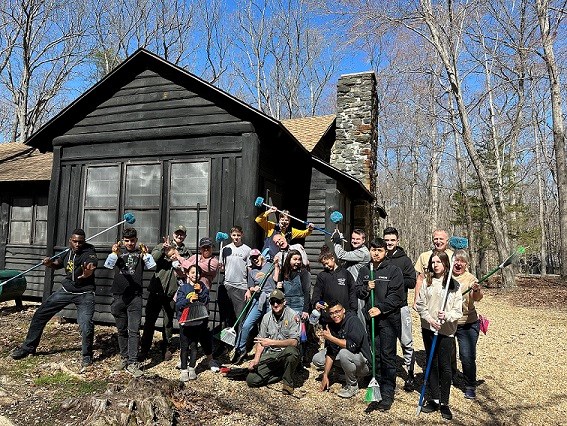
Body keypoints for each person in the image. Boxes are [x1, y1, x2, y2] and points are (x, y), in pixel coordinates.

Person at [11, 229, 98, 368]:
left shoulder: (89, 253)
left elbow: (90, 266)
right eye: (75, 241)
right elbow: (58, 264)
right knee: (40, 314)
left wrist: (87, 273)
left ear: (84, 242)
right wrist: (49, 263)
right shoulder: (67, 252)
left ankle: (87, 355)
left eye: (80, 242)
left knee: (86, 325)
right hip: (66, 290)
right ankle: (28, 348)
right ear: (70, 240)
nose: (77, 245)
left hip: (85, 294)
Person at [356, 238, 405, 411]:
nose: (376, 253)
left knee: (387, 356)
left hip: (388, 321)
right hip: (372, 321)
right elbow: (358, 292)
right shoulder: (364, 270)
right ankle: (375, 388)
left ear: (385, 252)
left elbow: (397, 296)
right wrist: (366, 289)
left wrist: (381, 308)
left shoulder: (393, 270)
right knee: (375, 355)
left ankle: (387, 393)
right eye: (373, 250)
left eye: (380, 250)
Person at [416, 251, 463, 421]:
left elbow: (458, 311)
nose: (435, 265)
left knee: (445, 366)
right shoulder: (427, 283)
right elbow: (420, 305)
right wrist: (430, 319)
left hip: (446, 331)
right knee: (432, 363)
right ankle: (434, 399)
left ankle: (445, 403)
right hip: (429, 328)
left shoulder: (454, 285)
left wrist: (446, 316)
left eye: (438, 262)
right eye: (433, 262)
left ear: (445, 264)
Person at [140, 225, 191, 362]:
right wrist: (164, 249)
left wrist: (178, 258)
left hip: (172, 293)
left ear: (185, 236)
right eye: (177, 233)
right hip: (157, 290)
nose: (179, 236)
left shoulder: (186, 252)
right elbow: (152, 259)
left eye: (182, 234)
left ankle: (166, 347)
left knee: (168, 323)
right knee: (150, 321)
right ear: (173, 234)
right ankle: (144, 348)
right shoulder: (162, 245)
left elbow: (189, 269)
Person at [109, 228, 154, 378]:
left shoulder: (140, 253)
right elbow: (108, 265)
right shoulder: (117, 254)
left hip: (135, 297)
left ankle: (133, 362)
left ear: (136, 240)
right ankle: (124, 358)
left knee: (133, 330)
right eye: (126, 240)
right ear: (122, 241)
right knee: (121, 330)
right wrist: (114, 253)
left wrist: (146, 254)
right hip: (119, 296)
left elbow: (151, 266)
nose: (129, 243)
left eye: (132, 240)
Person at [312, 301, 371, 399]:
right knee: (318, 359)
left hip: (363, 363)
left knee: (344, 353)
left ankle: (352, 386)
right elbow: (331, 352)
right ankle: (344, 373)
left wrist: (331, 338)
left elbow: (352, 346)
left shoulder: (353, 321)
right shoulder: (332, 325)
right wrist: (325, 375)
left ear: (343, 310)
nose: (335, 315)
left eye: (337, 312)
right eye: (331, 313)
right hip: (349, 358)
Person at [246, 289, 301, 395]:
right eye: (272, 302)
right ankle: (281, 373)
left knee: (292, 352)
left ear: (284, 302)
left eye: (278, 301)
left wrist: (271, 342)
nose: (275, 304)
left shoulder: (292, 316)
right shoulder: (266, 317)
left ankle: (288, 383)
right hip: (271, 354)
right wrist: (256, 359)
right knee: (251, 380)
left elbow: (294, 342)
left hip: (286, 352)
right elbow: (261, 340)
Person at [383, 226, 417, 391]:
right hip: (383, 308)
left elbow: (412, 281)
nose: (389, 243)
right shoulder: (379, 257)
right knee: (386, 343)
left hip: (401, 307)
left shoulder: (404, 260)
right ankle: (386, 377)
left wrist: (396, 278)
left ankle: (410, 375)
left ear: (397, 241)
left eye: (392, 240)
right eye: (386, 240)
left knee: (406, 342)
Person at [232, 249, 278, 364]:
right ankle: (240, 350)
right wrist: (253, 289)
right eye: (253, 258)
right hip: (257, 300)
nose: (255, 259)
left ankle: (268, 352)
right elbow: (250, 287)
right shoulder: (251, 271)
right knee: (246, 325)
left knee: (269, 327)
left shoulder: (270, 265)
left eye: (257, 257)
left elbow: (276, 280)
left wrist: (276, 266)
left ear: (261, 256)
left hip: (270, 301)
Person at [175, 262, 219, 381]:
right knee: (184, 347)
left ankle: (191, 368)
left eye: (198, 272)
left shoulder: (202, 286)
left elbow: (206, 300)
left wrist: (200, 293)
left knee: (194, 346)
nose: (195, 275)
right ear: (188, 274)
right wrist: (188, 299)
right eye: (193, 272)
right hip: (185, 321)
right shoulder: (183, 288)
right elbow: (178, 304)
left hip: (197, 321)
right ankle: (184, 369)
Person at [452, 249, 483, 399]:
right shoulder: (445, 276)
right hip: (449, 323)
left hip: (467, 323)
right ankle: (449, 377)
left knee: (466, 356)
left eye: (462, 261)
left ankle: (470, 385)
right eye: (456, 260)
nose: (458, 264)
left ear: (466, 264)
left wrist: (476, 290)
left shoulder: (471, 279)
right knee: (446, 354)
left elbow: (477, 298)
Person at [276, 249, 311, 365]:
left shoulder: (304, 273)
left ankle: (301, 358)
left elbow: (307, 292)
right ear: (288, 260)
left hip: (299, 305)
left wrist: (305, 310)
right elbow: (280, 291)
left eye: (299, 259)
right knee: (286, 332)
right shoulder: (284, 272)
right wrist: (279, 286)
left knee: (300, 334)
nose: (297, 262)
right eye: (294, 259)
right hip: (287, 306)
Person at [332, 228, 370, 326]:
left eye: (358, 239)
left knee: (359, 317)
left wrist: (337, 242)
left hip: (358, 290)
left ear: (363, 240)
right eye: (353, 238)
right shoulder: (356, 251)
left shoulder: (362, 253)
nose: (354, 241)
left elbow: (341, 255)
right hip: (350, 289)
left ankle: (363, 339)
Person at [311, 246, 357, 325]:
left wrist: (353, 311)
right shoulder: (322, 276)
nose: (326, 266)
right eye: (323, 264)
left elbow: (352, 292)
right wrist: (316, 303)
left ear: (332, 258)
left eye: (327, 263)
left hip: (344, 316)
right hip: (328, 317)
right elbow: (317, 293)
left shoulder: (345, 273)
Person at [220, 226, 252, 330]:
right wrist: (220, 267)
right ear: (231, 235)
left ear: (242, 235)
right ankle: (226, 343)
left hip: (241, 287)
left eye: (238, 235)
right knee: (227, 317)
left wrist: (248, 288)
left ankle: (239, 344)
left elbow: (249, 270)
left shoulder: (247, 250)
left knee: (240, 318)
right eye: (234, 235)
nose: (236, 237)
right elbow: (222, 268)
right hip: (227, 285)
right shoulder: (225, 249)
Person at [413, 229, 453, 309]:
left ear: (447, 241)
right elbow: (420, 279)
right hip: (429, 298)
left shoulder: (454, 256)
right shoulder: (424, 256)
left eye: (441, 239)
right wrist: (416, 299)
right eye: (436, 239)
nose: (438, 241)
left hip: (448, 297)